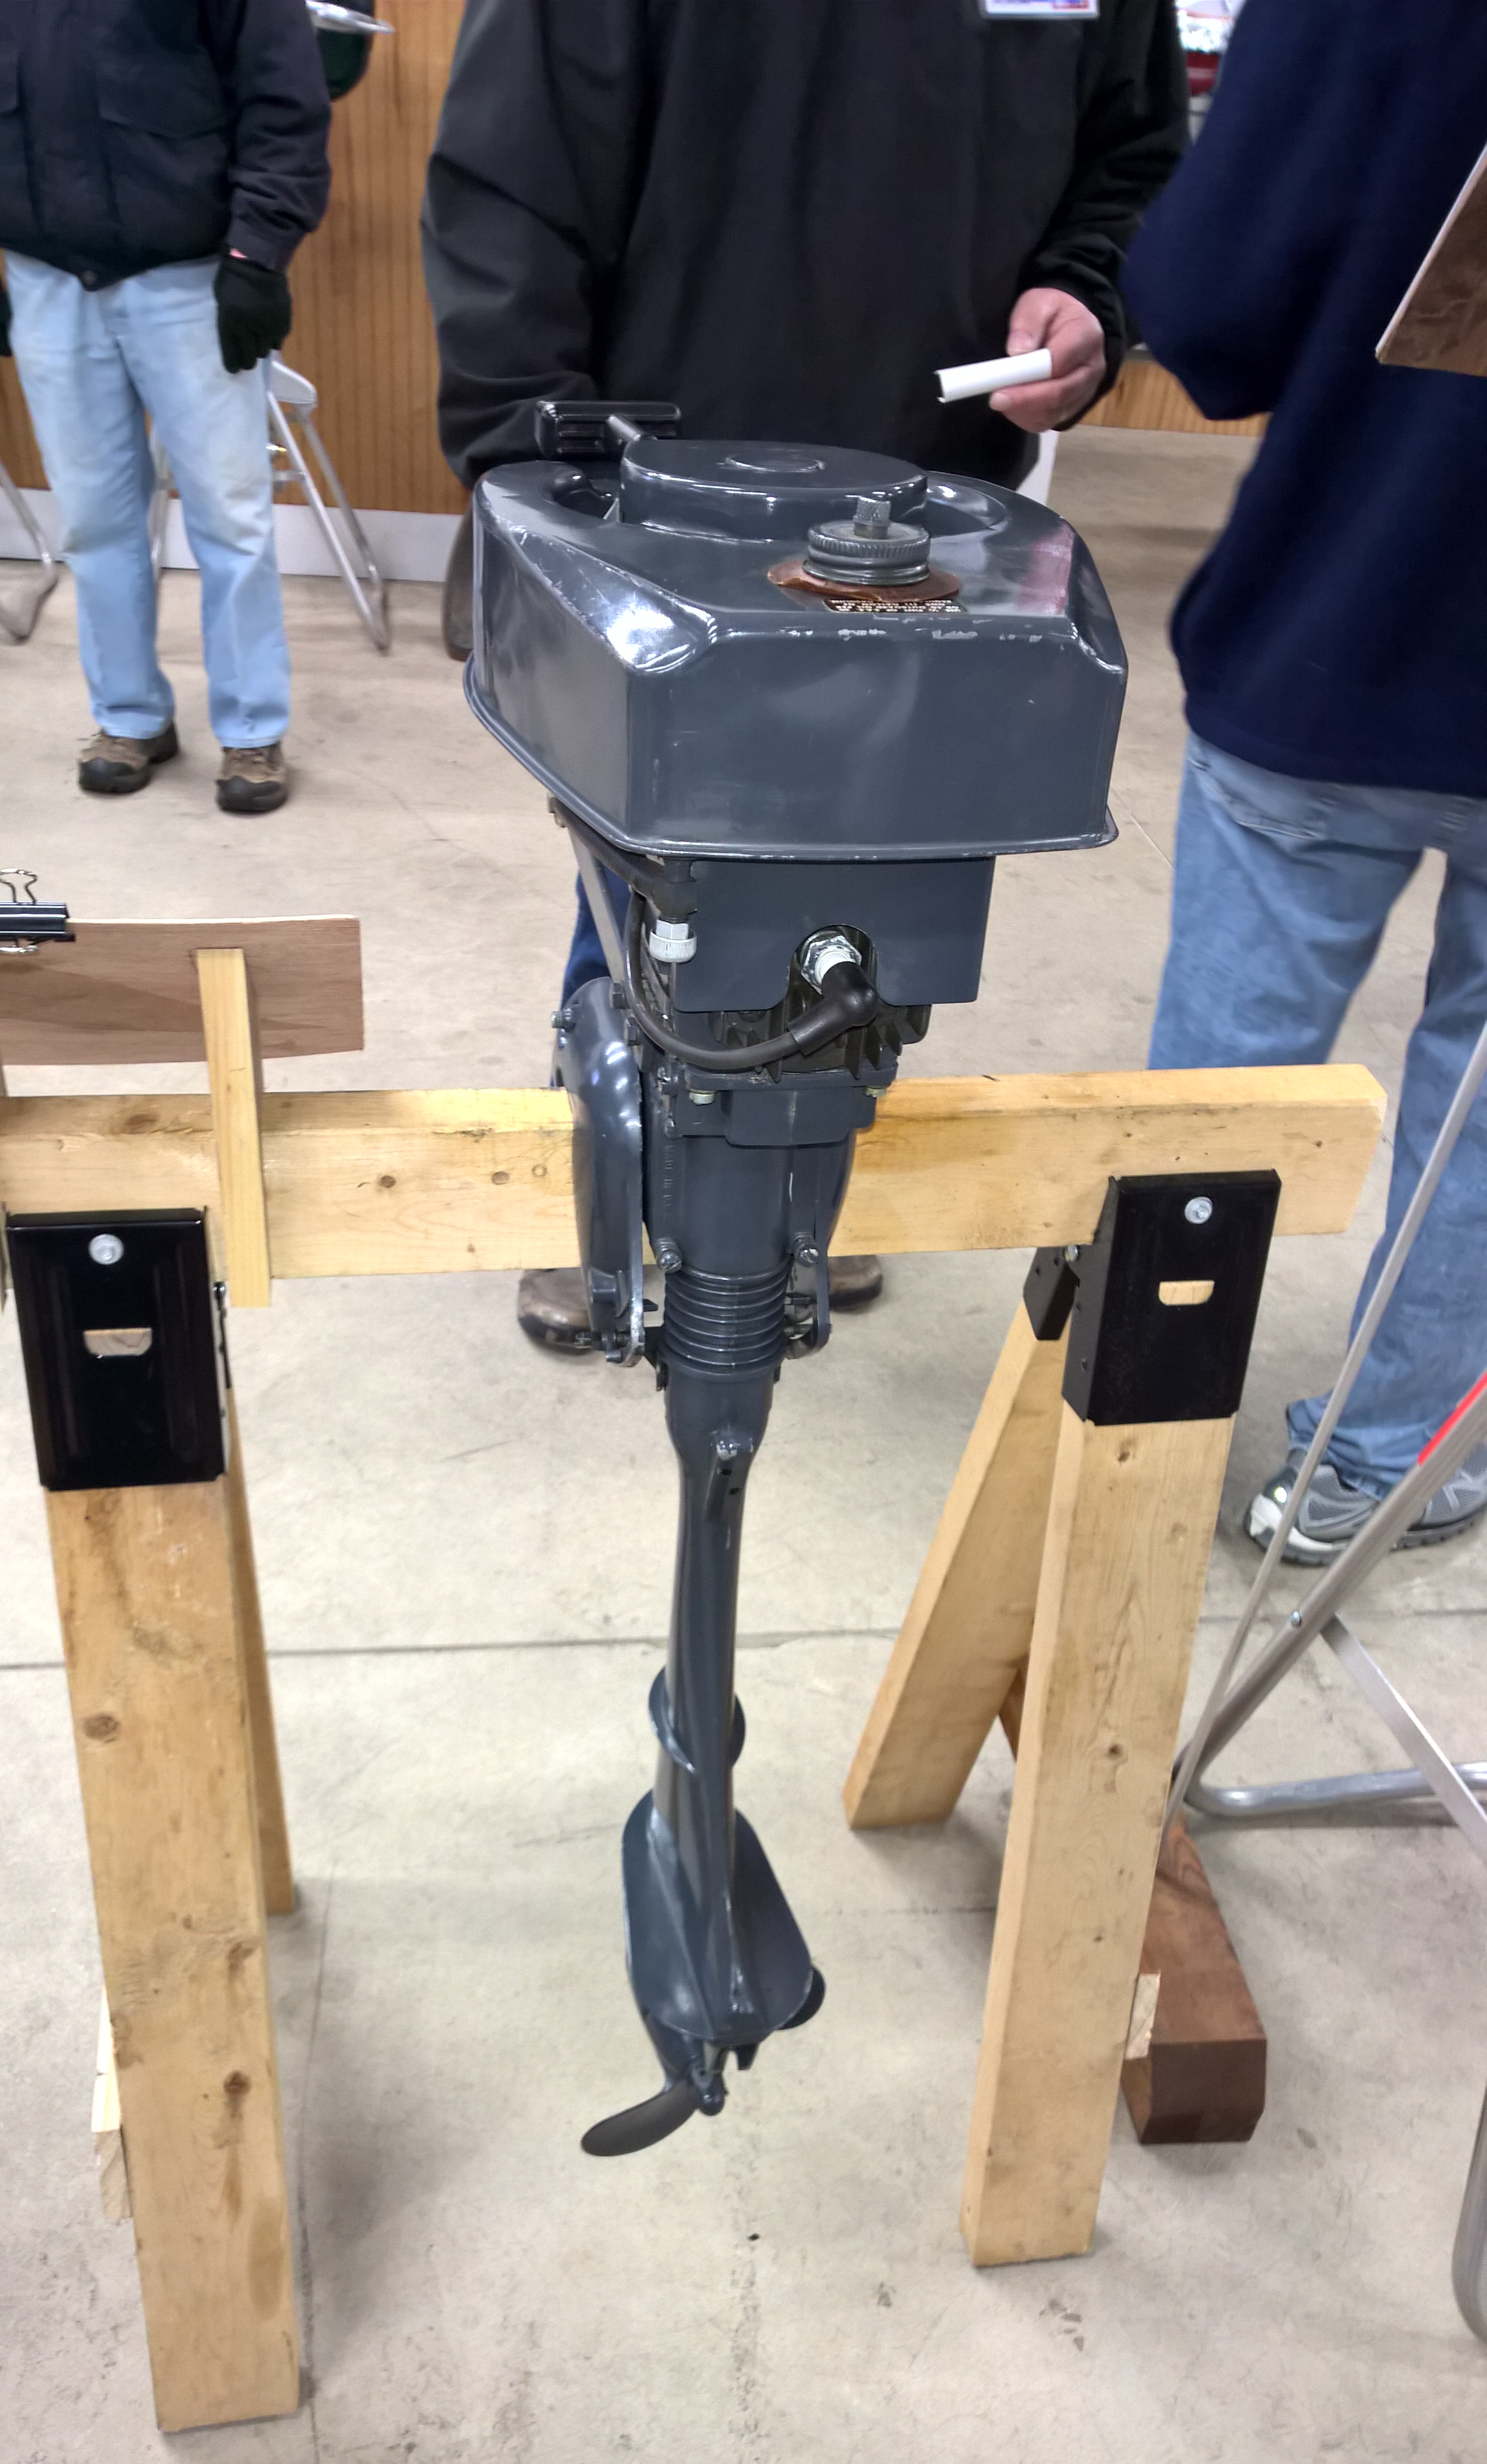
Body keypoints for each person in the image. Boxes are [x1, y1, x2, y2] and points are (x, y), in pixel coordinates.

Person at [423, 0, 1190, 1348]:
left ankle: (792, 1190)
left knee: (881, 881)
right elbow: (513, 173)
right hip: (659, 482)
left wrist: (1090, 290)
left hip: (925, 498)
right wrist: (533, 473)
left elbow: (1131, 155)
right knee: (657, 873)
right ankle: (617, 1187)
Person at [1124, 0, 1487, 1560]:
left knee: (1226, 1086)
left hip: (1349, 616)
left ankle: (1134, 1431)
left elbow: (1213, 312)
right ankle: (1385, 1459)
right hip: (1359, 642)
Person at [0, 0, 331, 814]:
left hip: (191, 278)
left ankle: (251, 729)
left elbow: (282, 96)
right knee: (92, 516)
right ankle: (129, 718)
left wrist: (258, 252)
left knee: (229, 513)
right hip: (45, 277)